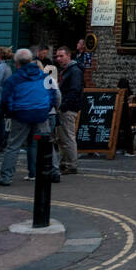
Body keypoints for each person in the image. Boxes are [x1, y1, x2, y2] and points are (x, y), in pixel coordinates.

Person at [0, 49, 58, 186]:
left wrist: (11, 113)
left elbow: (6, 100)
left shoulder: (13, 79)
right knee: (46, 143)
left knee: (13, 146)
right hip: (41, 113)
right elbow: (53, 95)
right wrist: (46, 108)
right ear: (31, 60)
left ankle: (6, 177)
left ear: (16, 63)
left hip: (21, 114)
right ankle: (54, 171)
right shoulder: (43, 77)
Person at [54, 46, 84, 174]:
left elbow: (74, 90)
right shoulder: (66, 70)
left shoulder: (74, 71)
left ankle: (71, 165)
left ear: (68, 56)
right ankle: (65, 163)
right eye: (57, 56)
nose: (58, 59)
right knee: (62, 138)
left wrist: (64, 105)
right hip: (65, 107)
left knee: (67, 137)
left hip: (68, 108)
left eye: (61, 56)